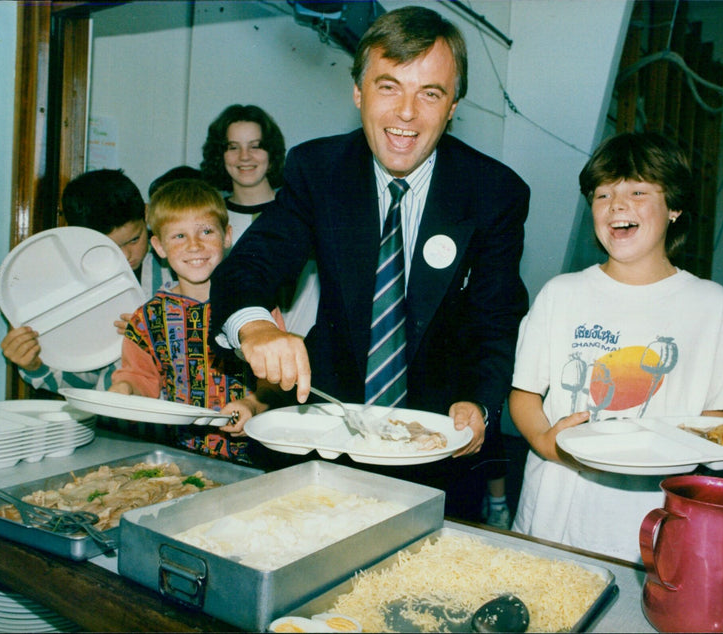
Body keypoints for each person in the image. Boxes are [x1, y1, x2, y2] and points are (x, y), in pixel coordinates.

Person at [209, 6, 530, 520]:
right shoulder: (319, 171)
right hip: (326, 446)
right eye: (388, 87)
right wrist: (254, 327)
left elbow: (498, 320)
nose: (407, 113)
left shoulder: (494, 192)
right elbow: (251, 264)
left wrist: (482, 405)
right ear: (357, 93)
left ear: (452, 107)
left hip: (438, 458)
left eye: (430, 93)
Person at [508, 131, 723, 562]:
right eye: (603, 193)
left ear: (675, 207)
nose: (617, 204)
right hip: (555, 510)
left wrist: (680, 446)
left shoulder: (710, 304)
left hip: (651, 516)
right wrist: (547, 443)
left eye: (638, 191)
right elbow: (524, 394)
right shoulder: (561, 293)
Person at [109, 178, 282, 463]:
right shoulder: (147, 318)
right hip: (180, 457)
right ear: (159, 246)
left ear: (227, 236)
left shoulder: (256, 311)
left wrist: (252, 403)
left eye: (206, 231)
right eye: (179, 236)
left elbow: (277, 382)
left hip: (256, 457)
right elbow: (139, 378)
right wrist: (125, 390)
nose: (194, 246)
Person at [0, 169, 175, 393]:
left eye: (134, 239)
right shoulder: (74, 289)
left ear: (147, 214)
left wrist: (160, 337)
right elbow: (81, 381)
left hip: (173, 422)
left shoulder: (178, 271)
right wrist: (34, 366)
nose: (126, 256)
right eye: (108, 248)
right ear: (78, 238)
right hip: (107, 422)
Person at [201, 103, 319, 336]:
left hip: (305, 346)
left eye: (255, 146)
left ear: (271, 153)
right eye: (233, 147)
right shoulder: (209, 218)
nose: (245, 157)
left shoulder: (304, 211)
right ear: (220, 154)